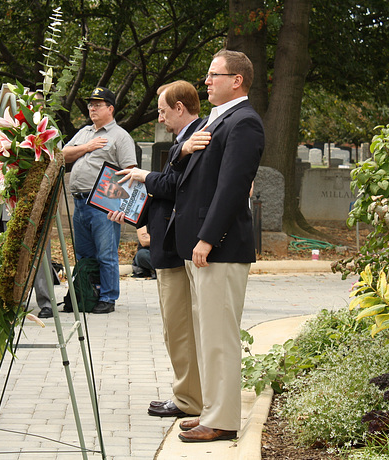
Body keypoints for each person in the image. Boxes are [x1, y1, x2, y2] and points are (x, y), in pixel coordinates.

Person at [169, 50, 264, 442]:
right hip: (199, 245)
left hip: (220, 248)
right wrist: (185, 148)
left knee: (220, 337)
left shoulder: (244, 123)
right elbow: (182, 167)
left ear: (236, 80)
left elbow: (232, 189)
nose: (206, 81)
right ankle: (212, 409)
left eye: (214, 75)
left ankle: (223, 420)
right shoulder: (215, 119)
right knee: (207, 335)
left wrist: (208, 238)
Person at [113, 80, 204, 419]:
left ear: (180, 108)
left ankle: (189, 399)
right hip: (169, 244)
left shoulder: (197, 138)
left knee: (179, 329)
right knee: (175, 329)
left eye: (164, 111)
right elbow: (166, 192)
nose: (160, 118)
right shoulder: (183, 140)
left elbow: (179, 187)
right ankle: (187, 394)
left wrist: (143, 175)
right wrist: (133, 213)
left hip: (178, 246)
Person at [63, 87, 137, 314]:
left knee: (106, 254)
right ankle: (88, 293)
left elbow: (130, 173)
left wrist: (122, 209)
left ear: (110, 109)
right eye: (90, 104)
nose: (92, 108)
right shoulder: (84, 133)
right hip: (80, 202)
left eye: (97, 104)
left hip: (103, 204)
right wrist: (86, 148)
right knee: (84, 255)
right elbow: (63, 154)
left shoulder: (120, 136)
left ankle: (107, 297)